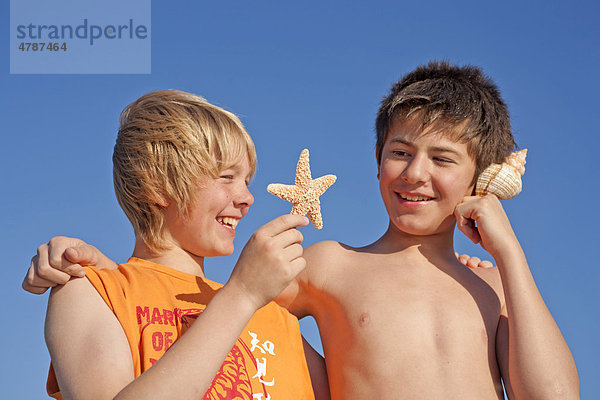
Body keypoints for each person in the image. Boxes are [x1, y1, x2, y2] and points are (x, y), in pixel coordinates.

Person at [25, 61, 579, 399]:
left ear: (480, 177)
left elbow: (553, 395)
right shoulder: (330, 266)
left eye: (443, 158)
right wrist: (95, 269)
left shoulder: (498, 288)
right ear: (377, 159)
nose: (415, 174)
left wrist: (509, 256)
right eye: (400, 153)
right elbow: (200, 303)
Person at [35, 90, 328, 400]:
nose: (246, 199)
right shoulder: (90, 291)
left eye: (247, 182)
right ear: (157, 184)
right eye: (226, 177)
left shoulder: (276, 319)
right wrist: (242, 294)